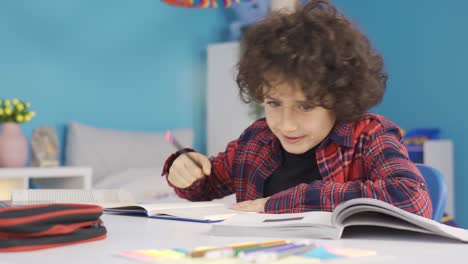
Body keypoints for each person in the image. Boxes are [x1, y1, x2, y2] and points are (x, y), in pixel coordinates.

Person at [162, 0, 432, 218]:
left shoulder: (369, 135)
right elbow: (203, 188)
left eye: (305, 106)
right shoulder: (256, 140)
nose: (286, 125)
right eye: (273, 104)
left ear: (338, 98)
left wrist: (283, 202)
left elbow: (411, 198)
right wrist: (183, 167)